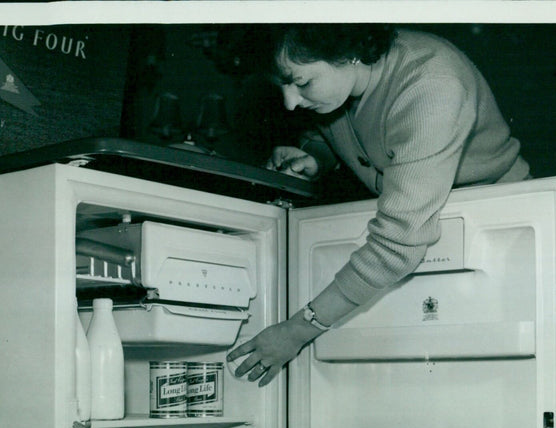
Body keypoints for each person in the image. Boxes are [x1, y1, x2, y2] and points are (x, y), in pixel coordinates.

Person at [227, 25, 530, 386]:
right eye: (282, 87)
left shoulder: (432, 83)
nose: (290, 102)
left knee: (485, 377)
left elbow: (396, 247)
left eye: (302, 83)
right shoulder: (342, 79)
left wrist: (296, 330)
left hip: (497, 218)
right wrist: (315, 156)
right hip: (416, 220)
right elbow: (333, 130)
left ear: (349, 51)